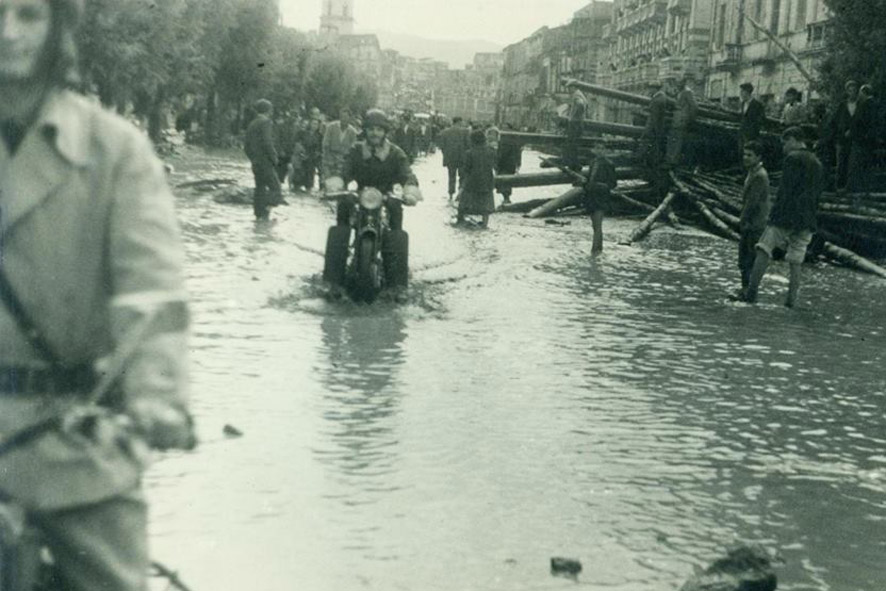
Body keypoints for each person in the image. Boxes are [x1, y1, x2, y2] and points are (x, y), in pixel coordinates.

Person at [0, 1, 195, 590]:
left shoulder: (115, 151)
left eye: (28, 14)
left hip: (74, 441)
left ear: (58, 25)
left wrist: (158, 397)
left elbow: (151, 288)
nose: (7, 32)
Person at [326, 109, 422, 297]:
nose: (375, 133)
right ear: (366, 131)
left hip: (385, 198)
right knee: (343, 208)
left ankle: (398, 285)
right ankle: (333, 281)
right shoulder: (355, 150)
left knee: (396, 223)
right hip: (360, 195)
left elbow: (407, 174)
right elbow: (343, 168)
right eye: (371, 129)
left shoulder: (395, 153)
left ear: (385, 132)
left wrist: (410, 191)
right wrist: (336, 183)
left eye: (379, 129)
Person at [739, 127, 823, 308]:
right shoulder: (817, 161)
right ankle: (791, 302)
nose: (784, 147)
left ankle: (751, 294)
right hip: (807, 218)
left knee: (763, 249)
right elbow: (816, 194)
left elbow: (786, 190)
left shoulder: (793, 159)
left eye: (785, 142)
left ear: (793, 140)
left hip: (787, 215)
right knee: (796, 260)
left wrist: (775, 216)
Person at [736, 141, 771, 294]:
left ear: (759, 157)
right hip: (753, 222)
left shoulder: (759, 175)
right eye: (744, 154)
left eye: (750, 155)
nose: (746, 157)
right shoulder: (753, 172)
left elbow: (752, 203)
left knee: (747, 259)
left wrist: (743, 220)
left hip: (754, 223)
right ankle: (746, 289)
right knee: (745, 258)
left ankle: (749, 291)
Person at [244, 98, 284, 220]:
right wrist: (274, 158)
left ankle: (259, 216)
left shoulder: (252, 123)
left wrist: (253, 158)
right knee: (276, 188)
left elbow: (246, 146)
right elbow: (267, 142)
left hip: (255, 162)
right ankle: (266, 210)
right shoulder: (266, 122)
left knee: (259, 188)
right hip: (265, 161)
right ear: (269, 110)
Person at [579, 145, 618, 254]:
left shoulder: (609, 164)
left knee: (598, 224)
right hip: (591, 196)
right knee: (594, 225)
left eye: (602, 149)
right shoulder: (593, 162)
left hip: (601, 197)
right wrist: (585, 183)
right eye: (598, 148)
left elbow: (612, 184)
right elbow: (590, 179)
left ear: (606, 150)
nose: (600, 151)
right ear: (595, 150)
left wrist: (597, 185)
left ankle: (595, 250)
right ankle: (598, 249)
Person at [457, 129, 497, 228]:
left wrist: (462, 184)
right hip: (487, 180)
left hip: (472, 181)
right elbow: (495, 165)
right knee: (485, 204)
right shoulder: (491, 151)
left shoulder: (469, 153)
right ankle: (485, 224)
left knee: (465, 202)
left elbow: (466, 169)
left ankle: (460, 220)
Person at [830, 80, 860, 191]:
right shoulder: (842, 105)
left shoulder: (860, 105)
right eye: (850, 90)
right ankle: (839, 187)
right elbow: (835, 121)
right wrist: (839, 134)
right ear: (847, 91)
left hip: (854, 140)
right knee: (841, 163)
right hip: (841, 140)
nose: (852, 92)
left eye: (854, 90)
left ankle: (849, 188)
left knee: (852, 164)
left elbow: (861, 122)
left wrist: (853, 131)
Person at [666, 75, 697, 167]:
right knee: (672, 139)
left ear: (684, 82)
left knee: (678, 140)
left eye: (680, 82)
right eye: (677, 83)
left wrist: (690, 119)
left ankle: (673, 161)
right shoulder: (679, 92)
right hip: (676, 119)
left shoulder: (688, 92)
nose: (678, 84)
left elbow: (694, 106)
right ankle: (670, 159)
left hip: (682, 120)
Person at [321, 105, 358, 181]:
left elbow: (353, 148)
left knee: (340, 181)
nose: (343, 119)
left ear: (350, 118)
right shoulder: (331, 127)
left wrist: (345, 159)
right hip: (329, 157)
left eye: (346, 117)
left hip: (343, 159)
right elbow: (325, 143)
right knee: (327, 180)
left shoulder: (352, 132)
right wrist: (328, 158)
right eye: (342, 116)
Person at [437, 116, 470, 200]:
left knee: (451, 176)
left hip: (450, 158)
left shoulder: (445, 132)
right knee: (462, 176)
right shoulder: (465, 131)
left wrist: (446, 154)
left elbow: (441, 146)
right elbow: (468, 145)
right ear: (459, 122)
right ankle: (460, 192)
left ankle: (451, 193)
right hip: (462, 158)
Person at [495, 123, 522, 205]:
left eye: (505, 128)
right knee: (506, 181)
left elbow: (504, 152)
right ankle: (506, 198)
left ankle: (506, 198)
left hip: (506, 163)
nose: (504, 130)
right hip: (507, 163)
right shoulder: (512, 138)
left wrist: (497, 161)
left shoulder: (508, 140)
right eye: (503, 128)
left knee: (505, 181)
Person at [564, 85, 588, 171]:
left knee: (572, 144)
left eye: (569, 88)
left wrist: (572, 117)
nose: (568, 90)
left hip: (575, 123)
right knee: (574, 144)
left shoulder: (576, 95)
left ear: (573, 87)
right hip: (578, 123)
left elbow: (580, 104)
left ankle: (574, 165)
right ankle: (574, 164)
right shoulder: (580, 94)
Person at [739, 82, 765, 152]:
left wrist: (752, 131)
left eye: (742, 91)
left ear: (747, 92)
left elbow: (761, 120)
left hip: (752, 135)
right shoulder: (743, 104)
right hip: (742, 134)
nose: (740, 93)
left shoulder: (757, 105)